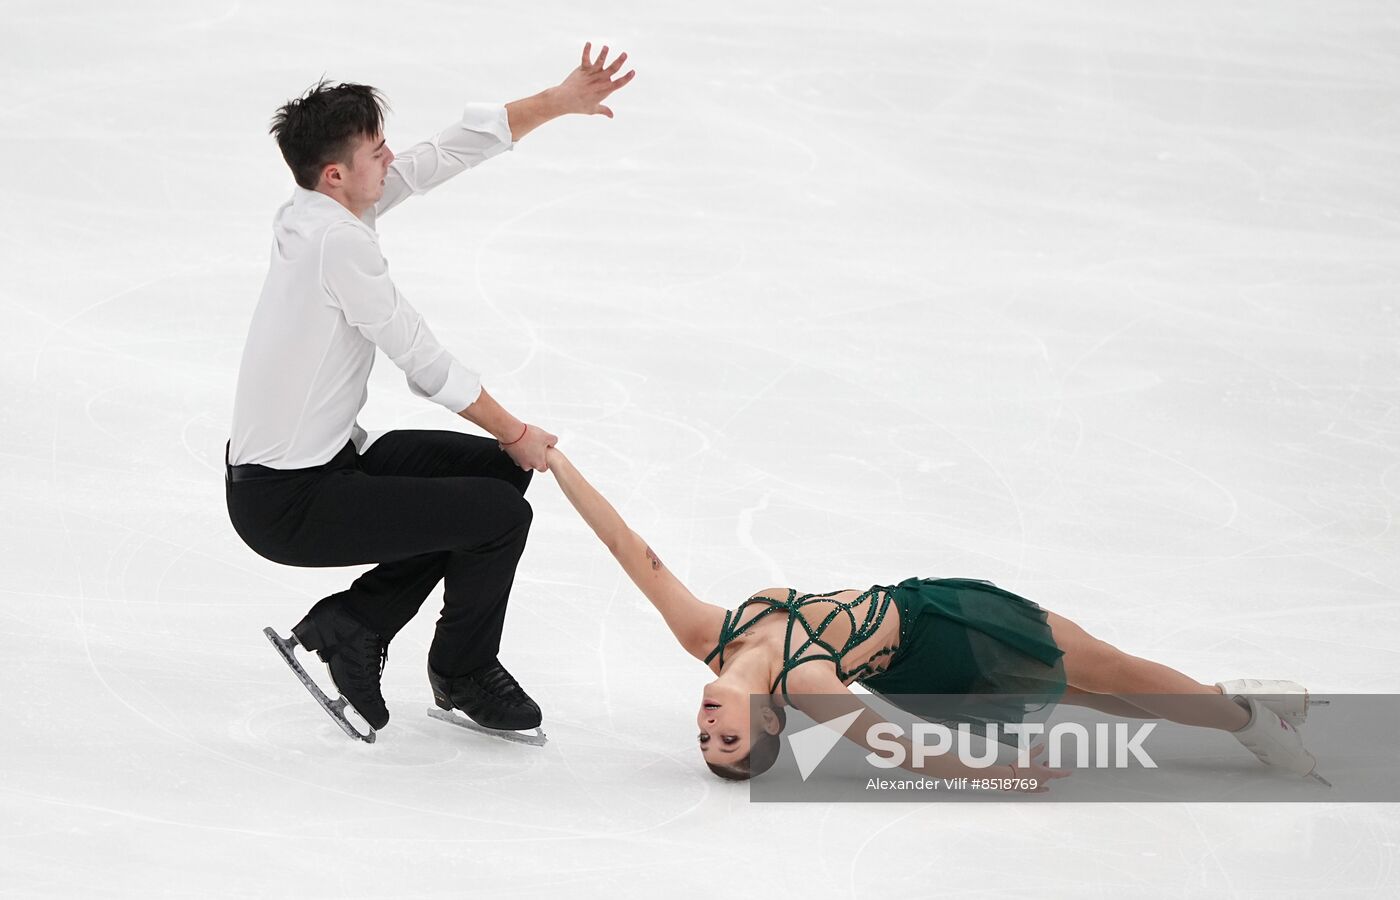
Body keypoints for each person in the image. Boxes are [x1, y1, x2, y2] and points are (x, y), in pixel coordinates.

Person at [225, 44, 635, 741]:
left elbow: (437, 156)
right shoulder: (336, 245)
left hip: (325, 467)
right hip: (286, 502)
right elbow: (422, 358)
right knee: (498, 514)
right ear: (335, 174)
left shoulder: (317, 208)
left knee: (496, 477)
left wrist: (554, 101)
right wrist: (516, 428)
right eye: (374, 152)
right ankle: (464, 668)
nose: (389, 159)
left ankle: (357, 623)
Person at [543, 446, 1323, 790]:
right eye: (730, 740)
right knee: (1104, 670)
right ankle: (1248, 716)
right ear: (772, 725)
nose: (710, 726)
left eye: (705, 738)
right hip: (952, 637)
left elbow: (626, 546)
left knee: (1091, 687)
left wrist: (555, 463)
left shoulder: (705, 636)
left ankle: (1230, 704)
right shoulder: (808, 685)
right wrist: (1000, 774)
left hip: (932, 615)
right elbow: (903, 748)